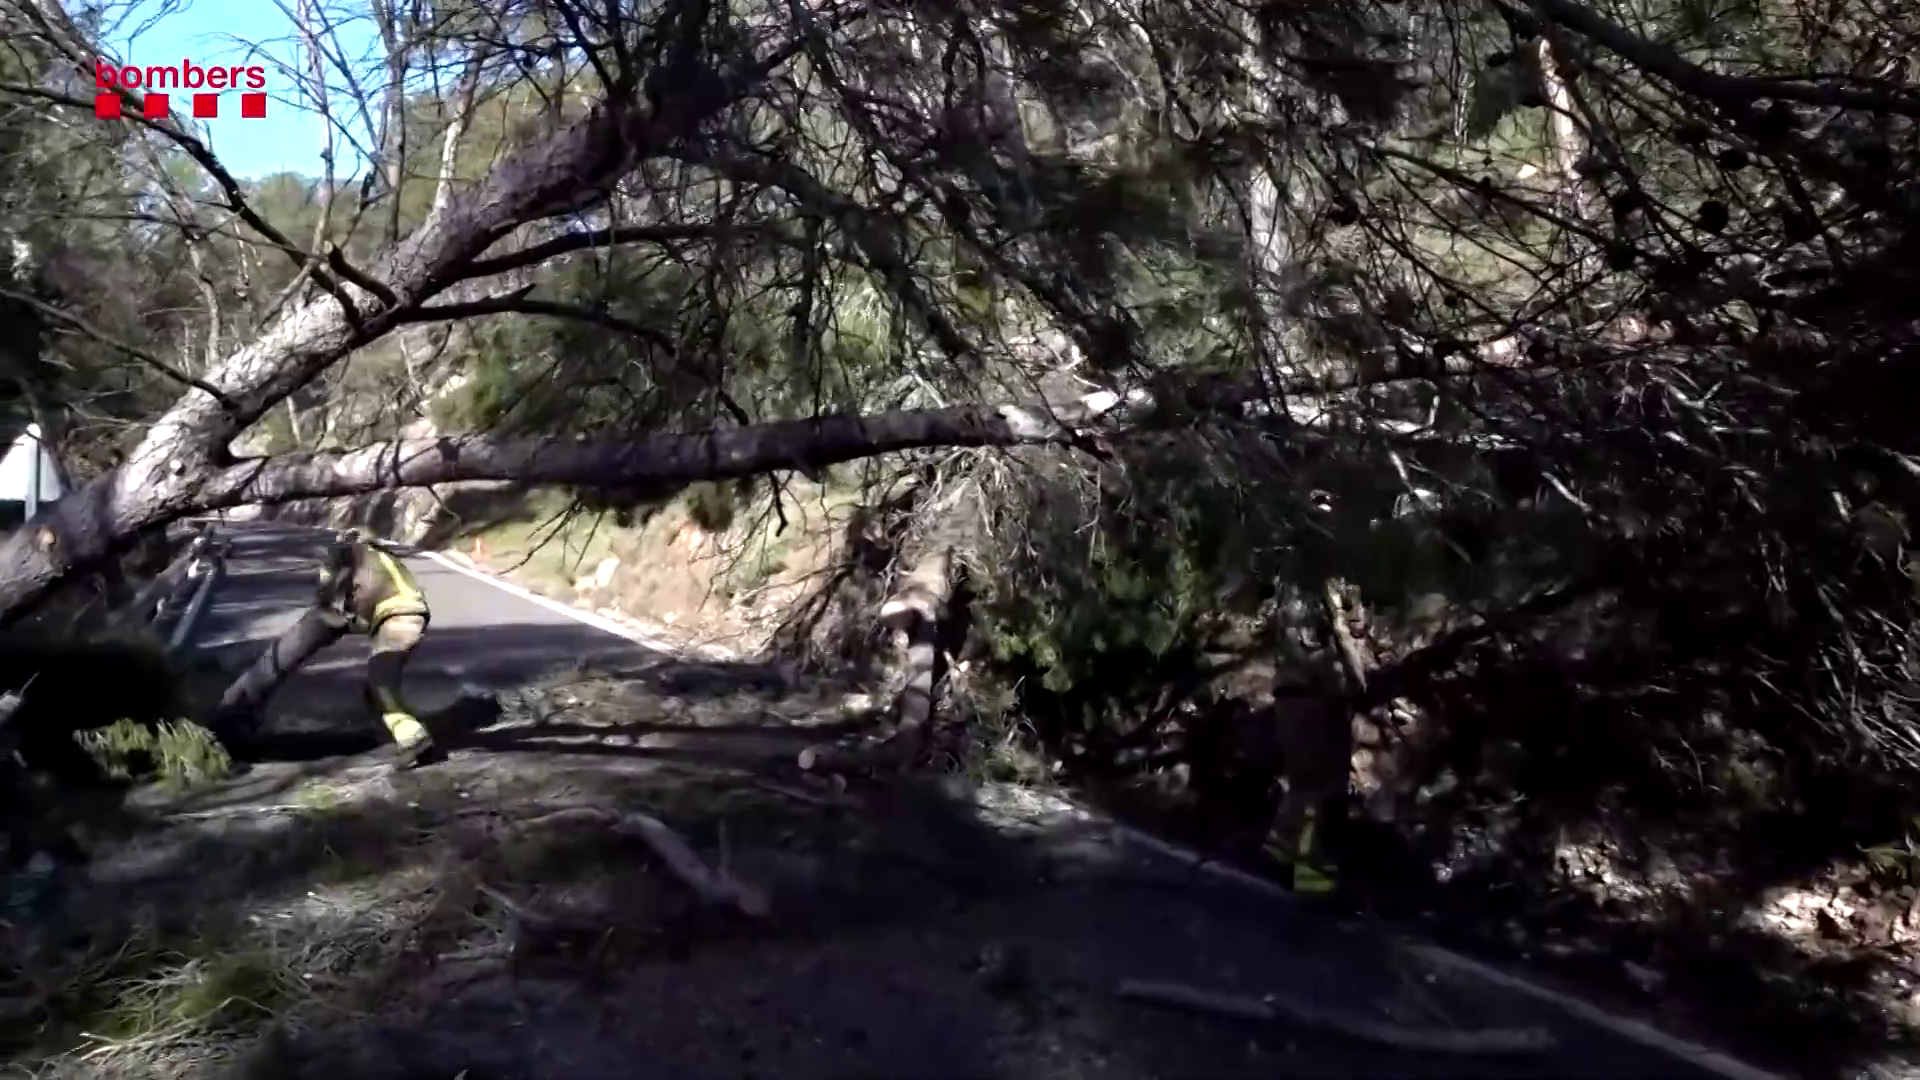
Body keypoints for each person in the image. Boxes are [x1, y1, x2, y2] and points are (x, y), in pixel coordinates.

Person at [315, 528, 441, 769]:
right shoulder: (384, 554)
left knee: (380, 683)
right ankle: (399, 733)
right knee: (377, 686)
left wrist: (325, 605)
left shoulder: (349, 551)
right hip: (414, 613)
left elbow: (327, 579)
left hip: (396, 617)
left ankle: (414, 739)